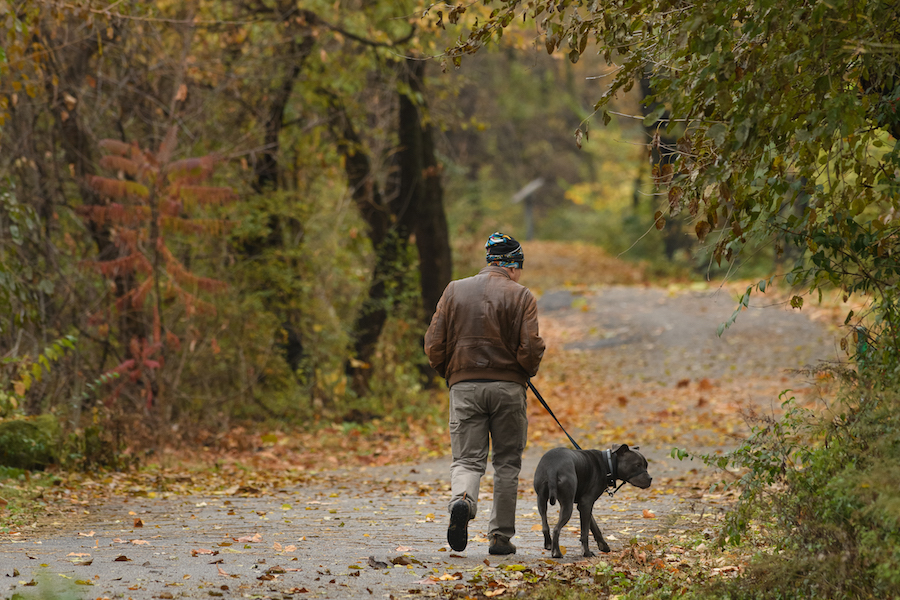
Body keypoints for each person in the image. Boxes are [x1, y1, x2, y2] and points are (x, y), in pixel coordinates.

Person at [424, 232, 545, 555]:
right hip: (508, 389)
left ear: (489, 262)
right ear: (513, 266)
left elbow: (434, 345)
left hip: (464, 386)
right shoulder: (521, 296)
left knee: (466, 459)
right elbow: (530, 347)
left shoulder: (453, 290)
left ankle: (463, 500)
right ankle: (500, 539)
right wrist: (523, 370)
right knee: (506, 463)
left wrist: (454, 374)